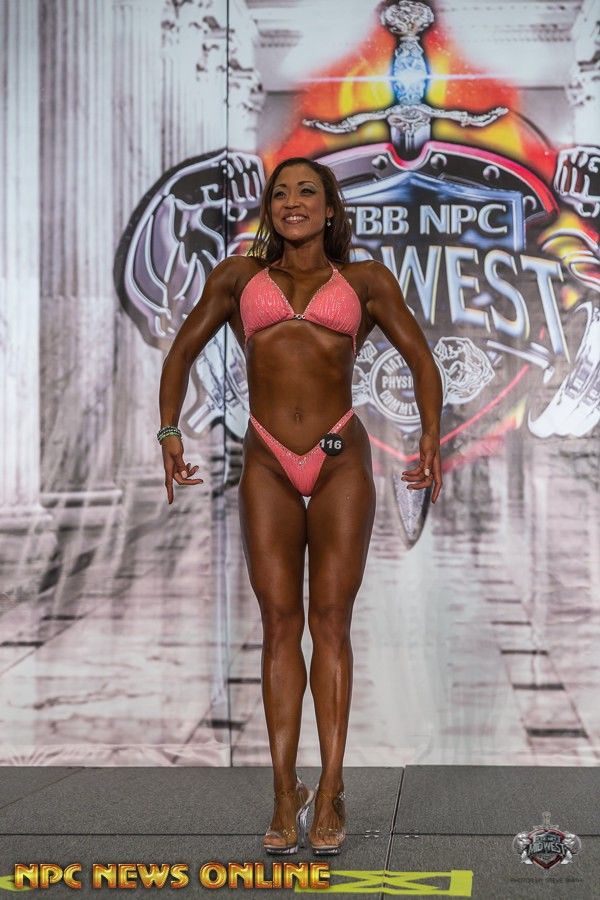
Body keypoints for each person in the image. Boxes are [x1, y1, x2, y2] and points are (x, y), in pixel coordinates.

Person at [158, 156, 443, 855]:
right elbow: (181, 353)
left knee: (331, 624)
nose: (292, 202)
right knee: (279, 624)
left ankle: (333, 788)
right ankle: (286, 794)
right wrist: (169, 431)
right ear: (269, 208)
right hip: (267, 462)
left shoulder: (365, 281)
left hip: (339, 456)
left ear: (329, 207)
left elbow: (421, 359)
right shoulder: (238, 278)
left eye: (306, 192)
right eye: (281, 193)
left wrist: (430, 436)